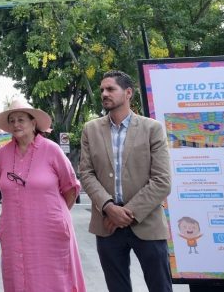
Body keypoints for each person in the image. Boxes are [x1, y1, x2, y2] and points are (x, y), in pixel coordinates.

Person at [79, 70, 172, 292]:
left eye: (110, 89)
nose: (104, 93)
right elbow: (86, 173)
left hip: (146, 223)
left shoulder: (152, 128)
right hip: (107, 224)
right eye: (102, 89)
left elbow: (162, 180)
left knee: (160, 287)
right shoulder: (90, 130)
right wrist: (109, 208)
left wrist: (126, 213)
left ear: (128, 92)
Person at [0, 99, 84, 291]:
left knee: (55, 280)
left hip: (49, 230)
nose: (16, 124)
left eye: (21, 119)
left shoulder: (52, 150)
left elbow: (70, 187)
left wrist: (54, 214)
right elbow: (3, 188)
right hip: (13, 232)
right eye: (12, 120)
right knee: (18, 277)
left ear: (33, 123)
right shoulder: (3, 154)